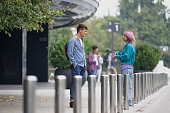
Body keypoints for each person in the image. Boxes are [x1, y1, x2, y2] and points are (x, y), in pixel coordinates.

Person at [67, 24, 88, 108]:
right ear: (80, 30)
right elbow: (69, 53)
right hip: (76, 65)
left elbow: (82, 52)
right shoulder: (73, 40)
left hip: (83, 65)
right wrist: (74, 63)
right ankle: (72, 99)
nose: (86, 33)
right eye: (85, 31)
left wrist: (85, 63)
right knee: (75, 82)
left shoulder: (81, 40)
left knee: (79, 83)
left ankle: (76, 99)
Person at [113, 31, 135, 106]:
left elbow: (126, 57)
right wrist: (118, 53)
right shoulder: (128, 45)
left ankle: (128, 101)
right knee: (126, 84)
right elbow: (124, 55)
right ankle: (126, 101)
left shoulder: (129, 46)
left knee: (126, 85)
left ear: (127, 38)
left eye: (124, 35)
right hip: (127, 68)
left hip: (127, 68)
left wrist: (117, 56)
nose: (122, 36)